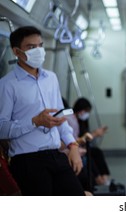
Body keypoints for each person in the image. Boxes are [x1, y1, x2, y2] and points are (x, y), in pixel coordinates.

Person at [0, 26, 85, 196]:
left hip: (56, 154)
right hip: (27, 160)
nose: (38, 51)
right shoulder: (7, 85)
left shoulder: (51, 78)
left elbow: (59, 116)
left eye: (40, 45)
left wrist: (72, 145)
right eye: (31, 47)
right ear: (16, 51)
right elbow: (1, 129)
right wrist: (34, 122)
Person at [72, 97, 111, 186]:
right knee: (88, 155)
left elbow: (83, 136)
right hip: (75, 146)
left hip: (81, 146)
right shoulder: (72, 121)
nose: (85, 114)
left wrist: (95, 134)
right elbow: (76, 140)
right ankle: (98, 179)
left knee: (97, 152)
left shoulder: (82, 121)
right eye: (85, 111)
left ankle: (104, 177)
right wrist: (94, 134)